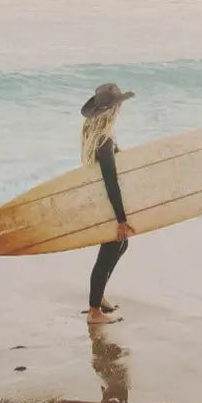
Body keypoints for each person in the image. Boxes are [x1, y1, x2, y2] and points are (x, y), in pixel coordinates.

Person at [81, 83, 136, 325]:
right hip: (108, 202)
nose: (120, 109)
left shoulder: (93, 134)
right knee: (112, 249)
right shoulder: (104, 141)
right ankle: (94, 311)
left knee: (119, 246)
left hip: (101, 200)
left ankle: (99, 296)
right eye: (118, 105)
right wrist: (122, 219)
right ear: (111, 110)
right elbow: (111, 181)